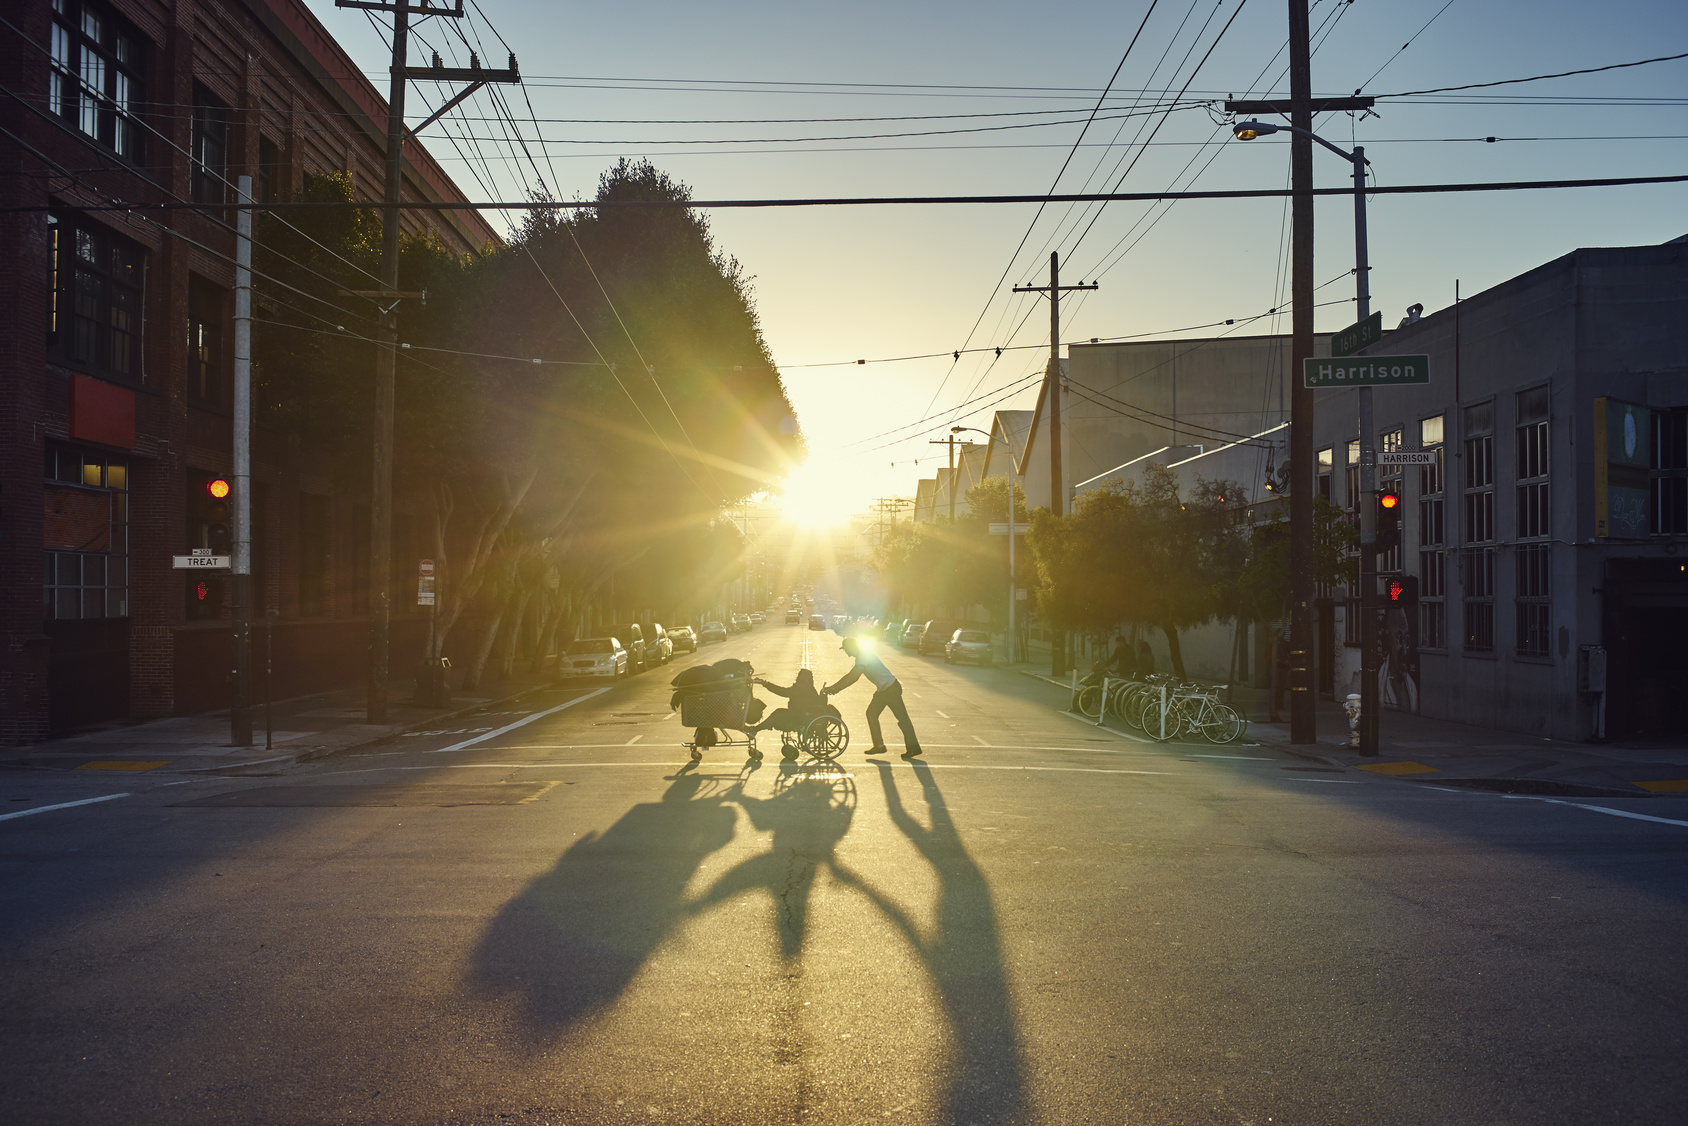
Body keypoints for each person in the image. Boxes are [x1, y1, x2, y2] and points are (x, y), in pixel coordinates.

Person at [823, 637, 922, 758]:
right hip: (884, 690)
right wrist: (833, 687)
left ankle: (913, 748)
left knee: (902, 719)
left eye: (846, 650)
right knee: (871, 714)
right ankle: (879, 746)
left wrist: (835, 689)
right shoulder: (862, 657)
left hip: (890, 689)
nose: (846, 653)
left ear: (851, 648)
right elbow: (850, 675)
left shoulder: (863, 658)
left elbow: (853, 677)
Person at [749, 669, 841, 760]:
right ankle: (756, 729)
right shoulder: (808, 688)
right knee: (778, 713)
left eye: (799, 677)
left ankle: (755, 729)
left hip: (800, 717)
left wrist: (765, 684)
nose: (796, 678)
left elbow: (782, 692)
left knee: (777, 716)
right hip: (802, 714)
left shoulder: (801, 688)